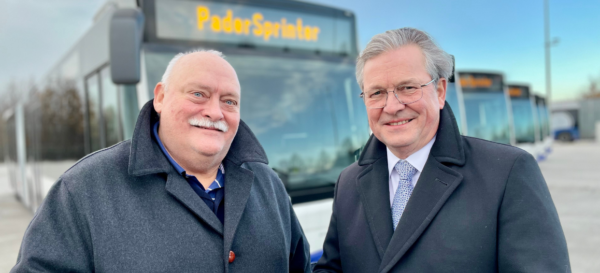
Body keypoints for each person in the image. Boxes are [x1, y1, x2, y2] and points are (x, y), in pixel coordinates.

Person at [12, 50, 311, 272]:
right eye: (198, 94)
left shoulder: (268, 183)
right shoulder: (82, 191)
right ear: (160, 98)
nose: (215, 112)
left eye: (229, 101)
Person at [314, 28, 570, 272]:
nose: (392, 106)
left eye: (408, 88)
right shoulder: (348, 182)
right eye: (377, 93)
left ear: (439, 91)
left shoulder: (508, 173)